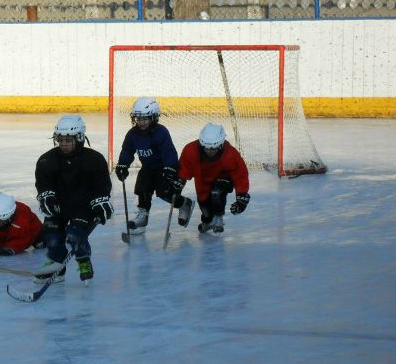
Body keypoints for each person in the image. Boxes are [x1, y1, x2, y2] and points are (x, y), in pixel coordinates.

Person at [34, 114, 113, 283]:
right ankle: (57, 265)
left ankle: (84, 261)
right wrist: (46, 197)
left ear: (80, 138)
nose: (63, 144)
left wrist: (101, 202)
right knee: (52, 236)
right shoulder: (47, 160)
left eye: (68, 140)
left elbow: (102, 186)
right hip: (59, 206)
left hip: (83, 207)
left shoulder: (94, 159)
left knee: (74, 236)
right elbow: (43, 183)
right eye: (60, 140)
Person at [114, 97, 194, 233]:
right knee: (142, 190)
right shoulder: (133, 134)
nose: (141, 122)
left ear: (154, 117)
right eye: (138, 118)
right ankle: (142, 217)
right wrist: (122, 165)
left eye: (145, 118)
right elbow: (127, 150)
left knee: (166, 193)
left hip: (164, 168)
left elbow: (169, 152)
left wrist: (170, 168)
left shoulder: (160, 132)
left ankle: (185, 204)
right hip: (148, 168)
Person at [177, 123, 250, 233]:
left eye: (213, 148)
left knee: (217, 192)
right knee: (205, 209)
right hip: (202, 183)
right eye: (206, 148)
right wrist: (178, 183)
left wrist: (241, 197)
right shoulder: (191, 150)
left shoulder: (230, 154)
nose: (209, 151)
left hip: (223, 180)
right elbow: (184, 169)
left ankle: (218, 218)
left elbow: (240, 174)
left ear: (221, 145)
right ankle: (208, 221)